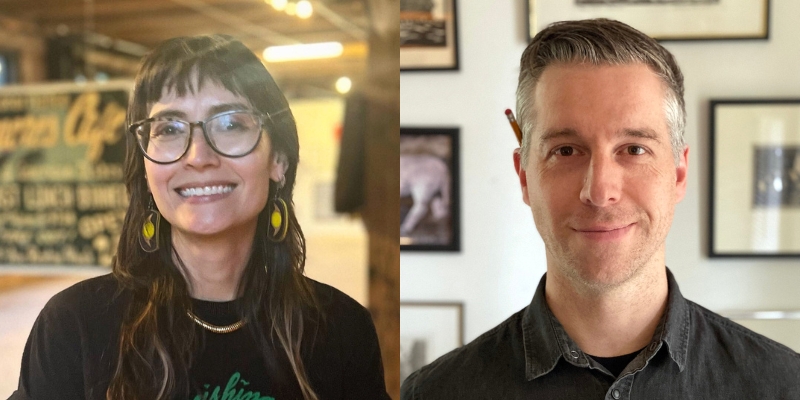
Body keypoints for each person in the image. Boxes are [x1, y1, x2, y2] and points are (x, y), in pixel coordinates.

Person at [401, 19, 800, 399]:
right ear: (525, 177)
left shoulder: (784, 386)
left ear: (678, 174)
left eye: (634, 149)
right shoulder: (435, 392)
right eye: (566, 151)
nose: (599, 190)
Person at [12, 34, 389, 400]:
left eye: (230, 124)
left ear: (279, 160)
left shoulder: (340, 329)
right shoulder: (75, 325)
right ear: (145, 167)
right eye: (169, 129)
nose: (198, 156)